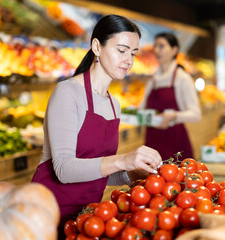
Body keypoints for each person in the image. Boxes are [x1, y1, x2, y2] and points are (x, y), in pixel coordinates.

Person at [31, 14, 162, 239]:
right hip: (46, 213)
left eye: (133, 53)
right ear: (96, 47)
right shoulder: (68, 93)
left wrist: (130, 174)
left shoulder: (114, 105)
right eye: (121, 50)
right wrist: (122, 160)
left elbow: (96, 170)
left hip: (86, 218)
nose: (128, 60)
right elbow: (63, 169)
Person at [140, 33, 202, 161]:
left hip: (175, 145)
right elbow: (141, 109)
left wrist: (173, 116)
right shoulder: (152, 81)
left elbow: (196, 114)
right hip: (152, 144)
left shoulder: (182, 78)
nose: (157, 50)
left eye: (161, 46)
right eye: (155, 46)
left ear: (174, 50)